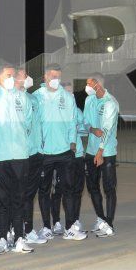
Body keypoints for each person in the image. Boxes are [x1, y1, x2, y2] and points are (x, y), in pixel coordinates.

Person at [0, 64, 33, 254]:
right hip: (0, 156)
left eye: (13, 75)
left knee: (19, 198)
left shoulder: (23, 97)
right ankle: (3, 237)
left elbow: (28, 123)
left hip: (20, 155)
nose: (13, 78)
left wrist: (19, 140)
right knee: (2, 198)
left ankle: (19, 237)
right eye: (9, 75)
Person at [34, 65, 83, 241]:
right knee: (44, 190)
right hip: (44, 153)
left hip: (64, 152)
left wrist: (71, 143)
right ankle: (47, 227)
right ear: (45, 76)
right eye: (53, 76)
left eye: (58, 76)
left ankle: (70, 228)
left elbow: (72, 122)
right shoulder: (36, 98)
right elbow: (33, 124)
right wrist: (37, 146)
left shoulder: (68, 97)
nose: (56, 79)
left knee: (68, 190)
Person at [84, 73, 120, 237]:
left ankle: (109, 224)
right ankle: (101, 219)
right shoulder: (89, 100)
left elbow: (107, 128)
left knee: (109, 188)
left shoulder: (110, 103)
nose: (86, 87)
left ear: (97, 84)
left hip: (106, 152)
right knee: (92, 187)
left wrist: (100, 151)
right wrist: (91, 129)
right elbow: (85, 123)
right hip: (90, 151)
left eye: (89, 83)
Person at [51, 81, 86, 236]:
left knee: (75, 190)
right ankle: (57, 221)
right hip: (62, 155)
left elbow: (85, 128)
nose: (70, 95)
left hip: (77, 156)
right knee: (58, 190)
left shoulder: (76, 110)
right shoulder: (56, 112)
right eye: (67, 92)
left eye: (72, 93)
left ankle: (74, 219)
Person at [16, 69, 47, 245]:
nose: (27, 78)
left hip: (36, 153)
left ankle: (27, 228)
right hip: (21, 155)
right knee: (19, 194)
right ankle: (20, 229)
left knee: (29, 194)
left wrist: (41, 148)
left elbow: (39, 124)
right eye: (23, 75)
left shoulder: (33, 98)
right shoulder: (12, 99)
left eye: (27, 74)